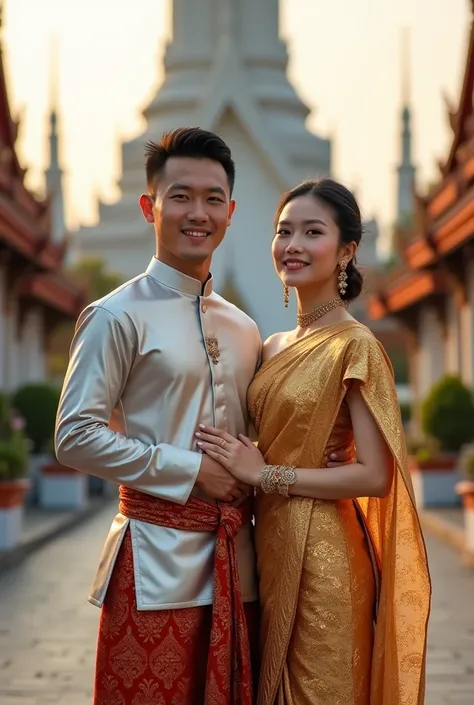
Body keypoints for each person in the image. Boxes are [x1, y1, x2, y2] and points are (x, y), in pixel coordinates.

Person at [55, 130, 351, 705]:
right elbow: (74, 435)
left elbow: (262, 432)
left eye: (214, 198)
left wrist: (319, 450)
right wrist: (190, 472)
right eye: (181, 196)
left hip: (239, 566)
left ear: (232, 212)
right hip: (152, 568)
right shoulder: (115, 315)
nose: (199, 213)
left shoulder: (243, 328)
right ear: (149, 206)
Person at [194, 178, 431, 705]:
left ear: (346, 251)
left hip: (326, 557)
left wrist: (267, 475)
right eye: (284, 231)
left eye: (312, 232)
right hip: (268, 545)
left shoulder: (356, 346)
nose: (293, 244)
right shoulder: (273, 344)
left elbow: (375, 474)